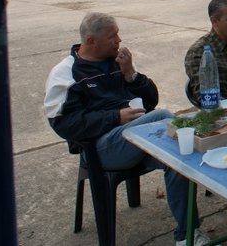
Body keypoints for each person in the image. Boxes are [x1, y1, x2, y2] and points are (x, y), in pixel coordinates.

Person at [44, 13, 206, 246]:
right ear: (91, 41)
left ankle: (187, 235)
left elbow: (150, 100)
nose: (119, 40)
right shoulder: (67, 73)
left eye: (118, 34)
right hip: (100, 149)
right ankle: (205, 150)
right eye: (112, 36)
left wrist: (131, 74)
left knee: (179, 155)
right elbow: (63, 123)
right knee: (164, 117)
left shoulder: (117, 62)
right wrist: (114, 117)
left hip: (136, 138)